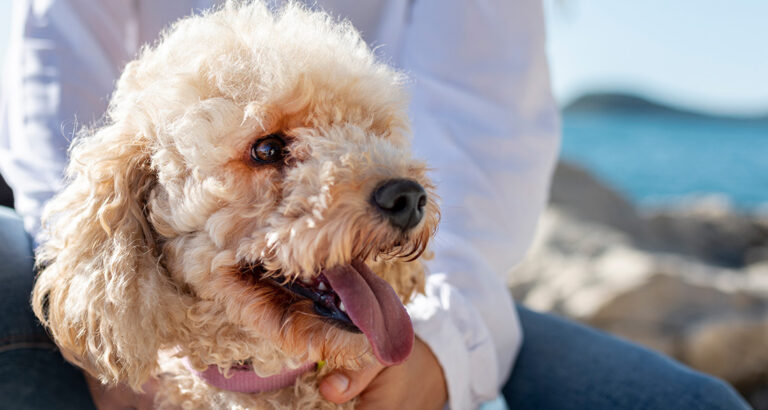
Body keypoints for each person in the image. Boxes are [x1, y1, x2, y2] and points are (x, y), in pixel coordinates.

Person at [0, 1, 750, 409]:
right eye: (270, 151)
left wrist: (438, 358)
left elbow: (484, 166)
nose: (375, 178)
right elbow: (49, 103)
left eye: (368, 135)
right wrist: (114, 359)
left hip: (438, 299)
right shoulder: (122, 192)